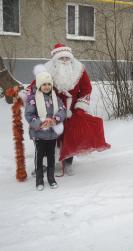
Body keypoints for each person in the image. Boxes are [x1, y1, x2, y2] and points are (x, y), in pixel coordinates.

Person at [28, 43, 110, 176]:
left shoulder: (79, 70)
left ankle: (68, 163)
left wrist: (80, 107)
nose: (65, 61)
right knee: (45, 138)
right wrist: (22, 95)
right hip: (49, 110)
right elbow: (34, 86)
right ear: (55, 60)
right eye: (62, 58)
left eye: (67, 58)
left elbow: (86, 89)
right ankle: (42, 165)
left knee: (69, 137)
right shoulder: (46, 70)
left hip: (71, 111)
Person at [24, 68, 66, 190]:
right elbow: (29, 115)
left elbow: (62, 110)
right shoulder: (33, 99)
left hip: (52, 133)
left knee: (51, 156)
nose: (47, 87)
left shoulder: (56, 98)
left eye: (49, 84)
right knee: (40, 155)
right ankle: (39, 179)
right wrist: (40, 123)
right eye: (44, 84)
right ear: (39, 85)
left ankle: (51, 178)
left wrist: (55, 120)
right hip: (39, 133)